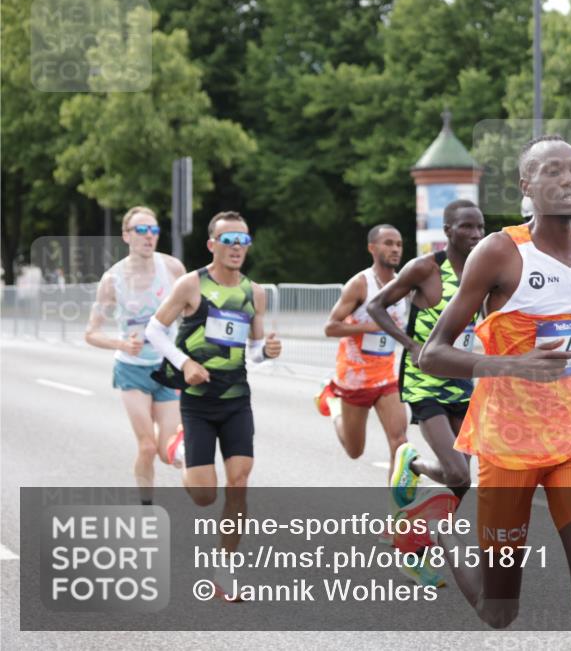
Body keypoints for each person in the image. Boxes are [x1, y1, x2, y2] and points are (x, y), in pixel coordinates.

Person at [418, 135, 571, 650]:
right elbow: (433, 353)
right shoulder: (500, 252)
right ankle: (441, 528)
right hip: (507, 446)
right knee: (499, 611)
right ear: (526, 185)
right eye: (552, 171)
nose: (568, 180)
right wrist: (512, 364)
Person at [145, 211, 282, 600]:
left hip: (237, 400)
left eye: (243, 240)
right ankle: (180, 449)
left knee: (238, 483)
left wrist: (267, 351)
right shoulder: (192, 284)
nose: (237, 247)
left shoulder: (255, 292)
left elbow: (253, 351)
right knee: (204, 496)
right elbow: (155, 329)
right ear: (212, 245)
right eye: (229, 240)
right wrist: (185, 363)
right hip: (198, 403)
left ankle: (225, 570)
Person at [368, 200, 485, 507]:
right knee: (457, 474)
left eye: (480, 227)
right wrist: (411, 345)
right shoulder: (425, 268)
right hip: (424, 380)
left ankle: (420, 524)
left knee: (461, 482)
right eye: (467, 226)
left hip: (461, 380)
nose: (476, 234)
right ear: (448, 230)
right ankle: (414, 466)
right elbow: (375, 306)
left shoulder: (482, 273)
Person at [85, 206, 186, 505]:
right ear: (126, 235)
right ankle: (146, 506)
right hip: (132, 369)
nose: (148, 236)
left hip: (167, 368)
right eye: (141, 230)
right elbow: (91, 333)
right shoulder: (112, 279)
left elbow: (193, 313)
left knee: (168, 452)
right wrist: (121, 344)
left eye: (153, 230)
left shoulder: (173, 269)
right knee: (147, 447)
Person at [314, 224, 408, 471]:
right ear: (372, 248)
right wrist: (372, 326)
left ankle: (397, 498)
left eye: (399, 244)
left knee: (400, 444)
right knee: (355, 451)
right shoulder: (360, 284)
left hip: (387, 377)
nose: (395, 249)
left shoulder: (403, 284)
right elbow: (330, 327)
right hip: (355, 379)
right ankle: (333, 403)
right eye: (388, 243)